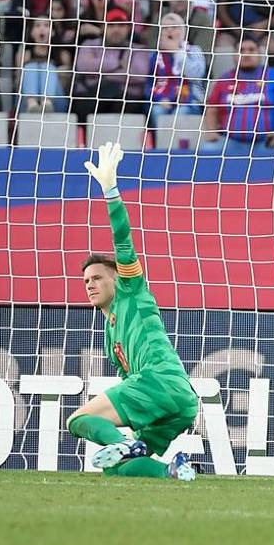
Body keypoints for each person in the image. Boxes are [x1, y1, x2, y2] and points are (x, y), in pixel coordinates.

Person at [66, 142, 198, 481]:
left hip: (158, 381)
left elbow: (122, 239)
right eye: (85, 281)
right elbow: (126, 376)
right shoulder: (111, 332)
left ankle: (126, 445)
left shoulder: (131, 291)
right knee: (116, 468)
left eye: (97, 277)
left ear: (115, 278)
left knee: (77, 420)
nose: (90, 285)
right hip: (181, 402)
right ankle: (173, 472)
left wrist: (109, 190)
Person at [203, 33, 274, 154]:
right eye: (241, 50)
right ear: (234, 55)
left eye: (251, 50)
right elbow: (211, 109)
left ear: (260, 53)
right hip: (230, 143)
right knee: (208, 149)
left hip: (266, 144)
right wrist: (211, 132)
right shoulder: (224, 80)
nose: (246, 54)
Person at [71, 6, 154, 120]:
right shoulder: (89, 44)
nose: (116, 30)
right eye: (111, 25)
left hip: (126, 101)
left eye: (121, 25)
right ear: (103, 27)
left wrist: (103, 75)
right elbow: (83, 66)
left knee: (118, 95)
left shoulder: (138, 49)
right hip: (92, 98)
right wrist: (118, 64)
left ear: (129, 28)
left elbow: (140, 75)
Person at [149, 12, 207, 128]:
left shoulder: (194, 51)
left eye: (174, 27)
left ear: (183, 30)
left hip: (191, 101)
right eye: (165, 28)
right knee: (157, 111)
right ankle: (161, 145)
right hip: (164, 101)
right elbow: (149, 84)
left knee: (180, 113)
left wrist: (177, 51)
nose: (169, 30)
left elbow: (195, 75)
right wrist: (160, 99)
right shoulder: (155, 55)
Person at [16, 17, 71, 114]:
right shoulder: (24, 55)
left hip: (56, 103)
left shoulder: (63, 55)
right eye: (37, 25)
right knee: (31, 67)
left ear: (53, 32)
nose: (42, 29)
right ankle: (32, 104)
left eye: (46, 25)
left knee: (47, 67)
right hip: (25, 104)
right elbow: (19, 83)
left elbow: (65, 86)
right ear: (32, 32)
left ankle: (47, 103)